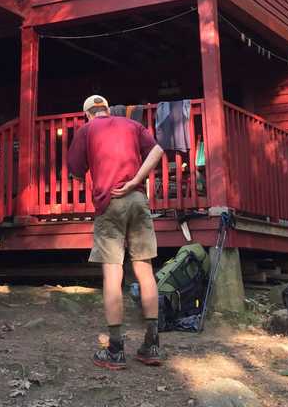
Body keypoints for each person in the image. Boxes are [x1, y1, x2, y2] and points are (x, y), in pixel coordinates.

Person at [68, 95, 165, 369]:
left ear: (87, 114)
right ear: (108, 110)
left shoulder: (86, 130)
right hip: (137, 199)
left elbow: (76, 170)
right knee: (144, 268)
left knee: (113, 272)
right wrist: (136, 179)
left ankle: (115, 349)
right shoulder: (130, 125)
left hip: (109, 202)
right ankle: (152, 345)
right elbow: (157, 151)